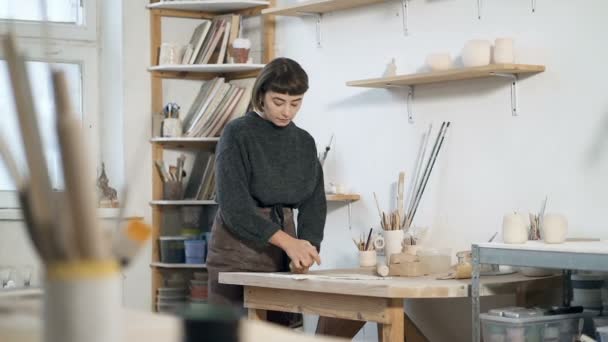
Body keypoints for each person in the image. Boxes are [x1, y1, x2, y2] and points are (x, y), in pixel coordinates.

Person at [206, 57, 326, 326]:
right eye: (278, 102)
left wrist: (306, 250)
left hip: (282, 257)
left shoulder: (304, 142)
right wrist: (289, 243)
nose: (287, 112)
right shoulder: (237, 133)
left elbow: (315, 203)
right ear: (261, 95)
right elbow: (234, 206)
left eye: (295, 104)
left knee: (279, 334)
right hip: (236, 253)